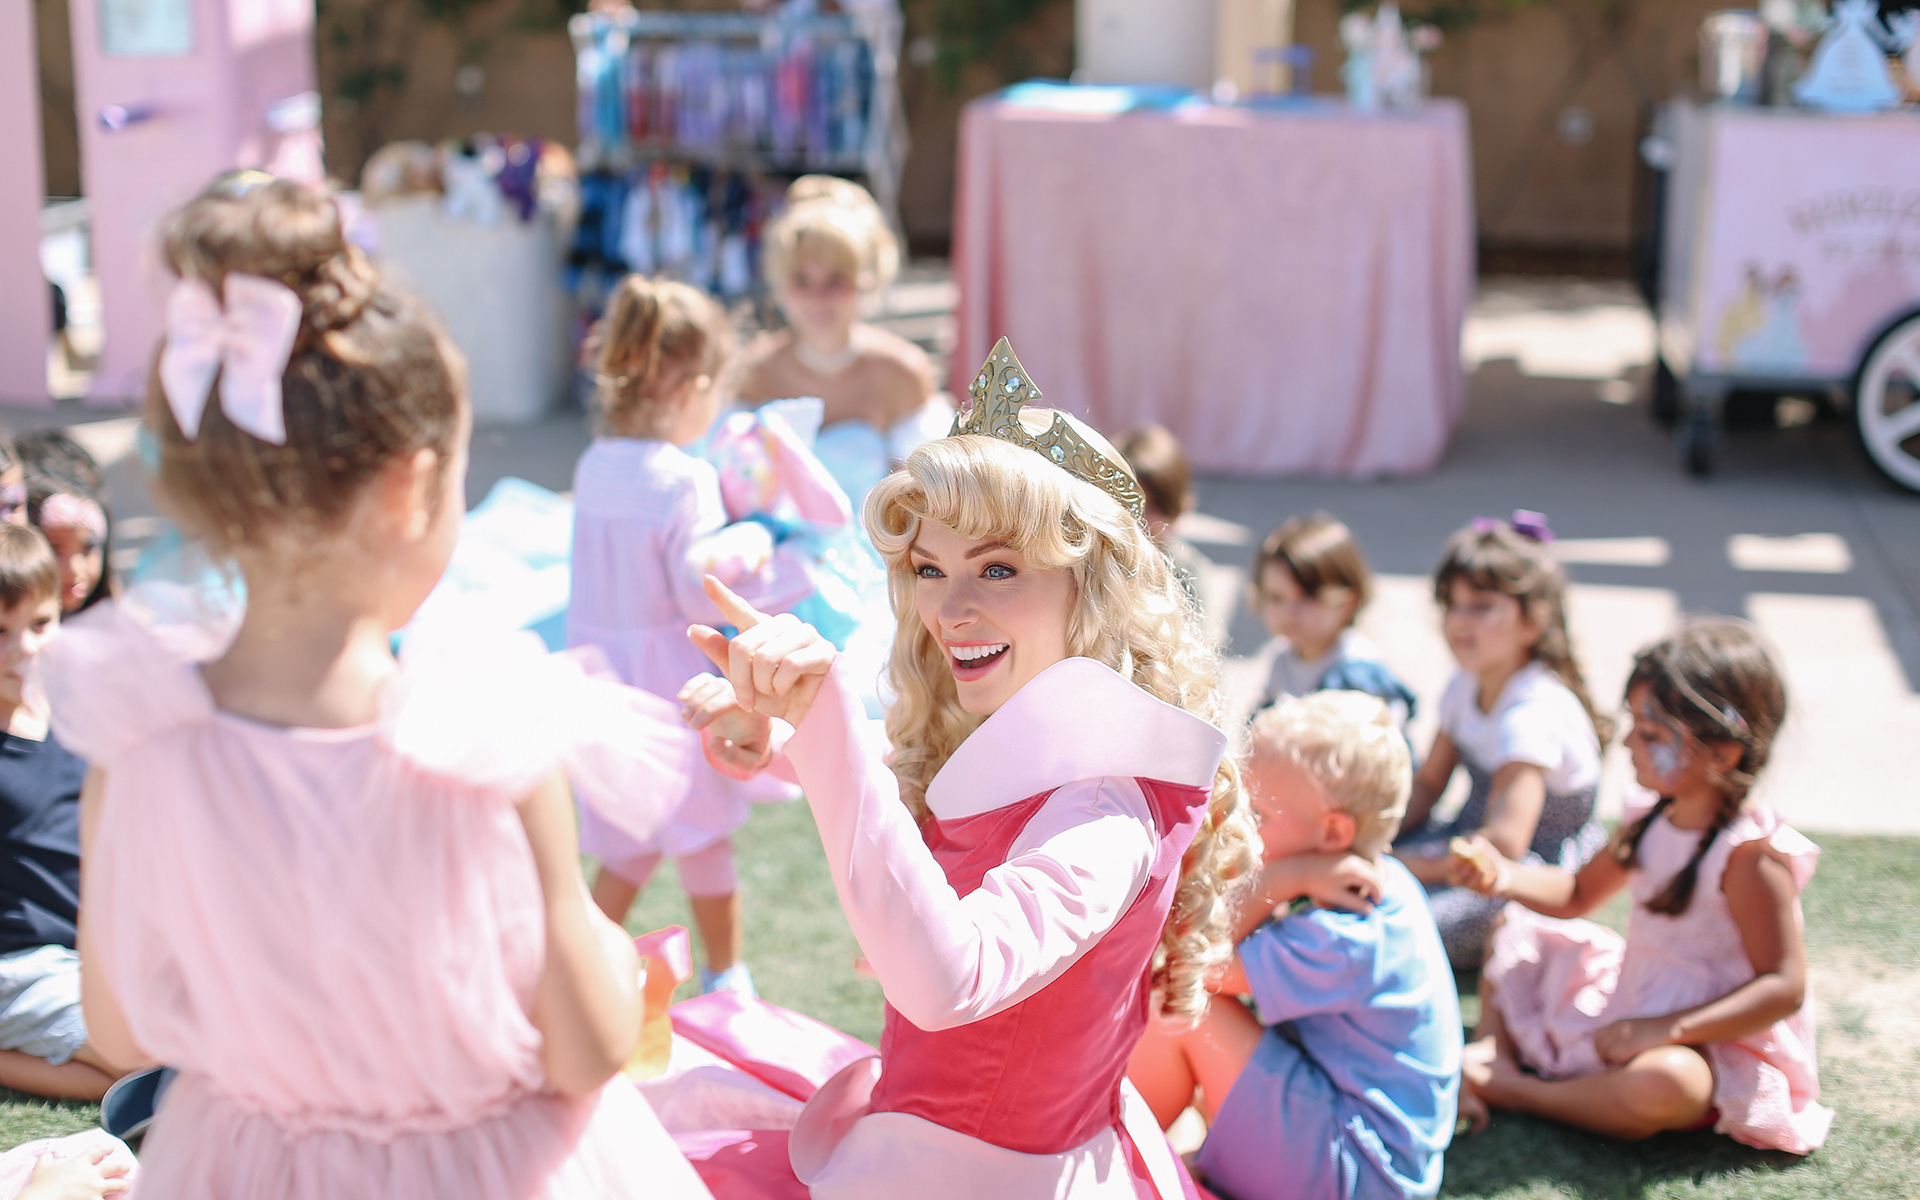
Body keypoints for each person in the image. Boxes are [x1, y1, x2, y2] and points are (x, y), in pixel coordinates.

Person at [41, 174, 711, 1198]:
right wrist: (615, 961)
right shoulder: (480, 734)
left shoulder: (138, 744)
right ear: (411, 485)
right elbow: (583, 1047)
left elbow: (123, 1029)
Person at [682, 338, 1260, 1198]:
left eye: (997, 568)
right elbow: (908, 770)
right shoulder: (1042, 739)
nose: (950, 610)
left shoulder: (1105, 813)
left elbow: (947, 983)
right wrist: (782, 737)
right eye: (930, 568)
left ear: (1092, 588)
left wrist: (824, 726)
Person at [1451, 618, 1830, 1153]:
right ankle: (1494, 1050)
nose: (1628, 741)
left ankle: (1516, 1092)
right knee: (1513, 925)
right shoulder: (1651, 818)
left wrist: (1665, 1030)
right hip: (1634, 999)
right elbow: (1577, 894)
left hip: (1706, 1044)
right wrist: (1505, 876)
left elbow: (1782, 987)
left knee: (1666, 1083)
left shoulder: (1748, 856)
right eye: (1634, 724)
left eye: (1650, 734)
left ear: (1722, 753)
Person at [567, 273, 805, 996]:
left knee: (627, 843)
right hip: (675, 686)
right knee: (703, 839)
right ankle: (726, 980)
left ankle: (573, 966)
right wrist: (755, 547)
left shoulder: (594, 462)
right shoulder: (683, 479)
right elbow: (694, 591)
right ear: (691, 386)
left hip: (603, 680)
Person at [1129, 691, 1459, 1200]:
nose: (1238, 825)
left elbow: (1190, 964)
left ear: (1333, 833)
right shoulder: (1382, 879)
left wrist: (1286, 875)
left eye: (1259, 814)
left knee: (1178, 1005)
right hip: (1358, 1154)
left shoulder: (1348, 932)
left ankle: (1100, 1150)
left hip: (1354, 1174)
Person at [1392, 514, 1608, 968]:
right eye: (1452, 604)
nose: (1459, 620)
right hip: (1469, 838)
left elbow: (1505, 845)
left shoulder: (1531, 714)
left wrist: (1409, 864)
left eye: (1481, 606)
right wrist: (1384, 834)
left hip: (1526, 870)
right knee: (1370, 872)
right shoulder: (1464, 685)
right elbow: (1429, 784)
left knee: (1410, 924)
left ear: (1533, 622)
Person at [0, 524, 124, 1101]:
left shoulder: (72, 706)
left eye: (41, 624)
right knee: (135, 1057)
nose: (24, 648)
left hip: (93, 947)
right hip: (19, 964)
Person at [733, 176, 948, 505]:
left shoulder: (902, 371)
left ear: (865, 282)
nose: (818, 298)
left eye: (836, 280)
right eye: (802, 279)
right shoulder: (754, 372)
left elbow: (925, 499)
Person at [1248, 514, 1414, 726]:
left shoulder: (1356, 672)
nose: (1290, 612)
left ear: (1348, 602)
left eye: (1307, 597)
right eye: (1276, 598)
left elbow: (1382, 738)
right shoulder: (1281, 657)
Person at [1118, 425, 1208, 613]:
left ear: (1181, 507)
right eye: (1130, 504)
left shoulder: (1189, 574)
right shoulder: (1091, 564)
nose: (1141, 518)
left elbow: (1206, 630)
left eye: (1153, 507)